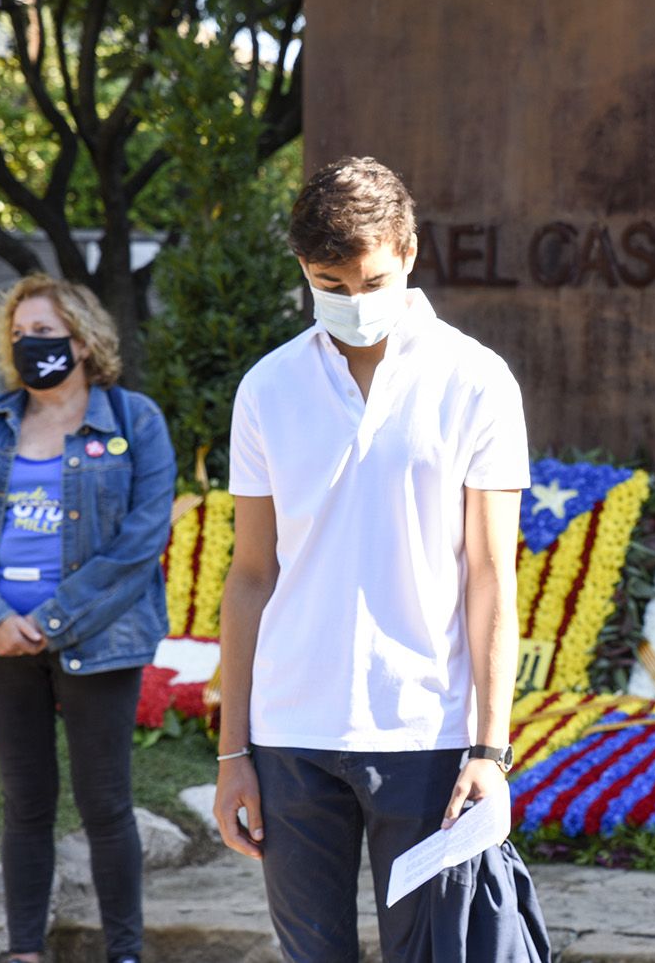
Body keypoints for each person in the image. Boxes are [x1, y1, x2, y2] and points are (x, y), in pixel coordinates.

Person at [211, 157, 549, 961]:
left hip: (428, 735)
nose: (353, 303)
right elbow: (252, 575)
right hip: (290, 737)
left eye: (370, 280)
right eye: (329, 282)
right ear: (302, 267)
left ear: (408, 252)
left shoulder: (476, 381)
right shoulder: (268, 388)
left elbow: (491, 575)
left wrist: (490, 751)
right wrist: (233, 755)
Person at [0, 274, 176, 963]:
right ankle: (24, 951)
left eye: (45, 333)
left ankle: (124, 951)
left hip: (99, 643)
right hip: (0, 644)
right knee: (27, 804)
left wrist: (55, 618)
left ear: (84, 338)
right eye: (20, 334)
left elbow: (143, 537)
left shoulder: (134, 421)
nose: (30, 345)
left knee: (106, 807)